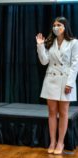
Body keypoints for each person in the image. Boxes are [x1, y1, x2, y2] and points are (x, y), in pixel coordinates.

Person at [36, 17, 78, 155]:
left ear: (65, 26)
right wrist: (40, 45)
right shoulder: (50, 42)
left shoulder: (73, 42)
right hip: (51, 79)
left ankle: (61, 142)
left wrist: (69, 83)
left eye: (58, 25)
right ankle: (52, 141)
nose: (55, 27)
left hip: (66, 81)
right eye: (54, 25)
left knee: (64, 113)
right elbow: (44, 61)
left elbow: (75, 64)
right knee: (52, 113)